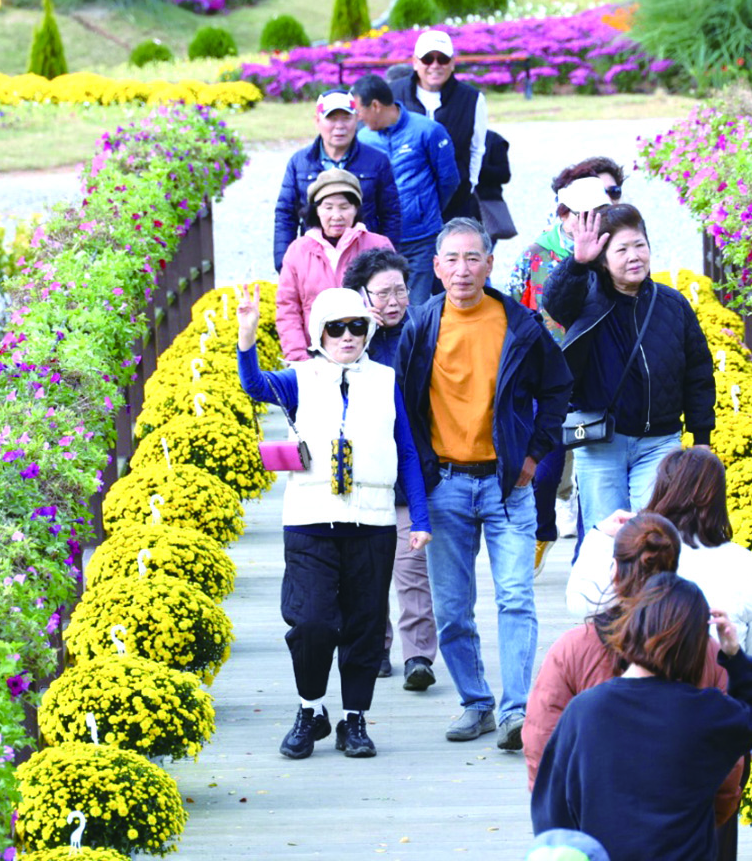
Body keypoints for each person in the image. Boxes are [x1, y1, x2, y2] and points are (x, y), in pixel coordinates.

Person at [236, 284, 432, 759]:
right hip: (310, 520)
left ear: (368, 331)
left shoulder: (384, 379)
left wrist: (420, 517)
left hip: (373, 522)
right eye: (336, 328)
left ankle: (354, 719)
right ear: (318, 333)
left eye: (357, 326)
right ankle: (311, 709)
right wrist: (247, 335)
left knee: (366, 625)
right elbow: (255, 385)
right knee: (311, 622)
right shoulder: (300, 377)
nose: (347, 336)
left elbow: (406, 450)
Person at [397, 217, 572, 748]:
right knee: (452, 610)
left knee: (515, 597)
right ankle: (476, 703)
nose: (462, 269)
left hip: (507, 485)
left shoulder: (519, 324)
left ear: (490, 264)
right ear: (436, 267)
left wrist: (534, 455)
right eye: (451, 259)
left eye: (473, 258)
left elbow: (558, 387)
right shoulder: (421, 326)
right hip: (444, 485)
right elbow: (402, 404)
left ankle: (516, 712)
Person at [523, 515, 747, 847]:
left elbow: (543, 751)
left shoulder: (571, 650)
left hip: (591, 836)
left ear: (614, 570)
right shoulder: (707, 653)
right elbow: (728, 764)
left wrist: (564, 833)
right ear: (674, 573)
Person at [530, 572, 752, 861]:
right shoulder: (706, 710)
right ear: (695, 646)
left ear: (632, 629)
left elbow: (553, 806)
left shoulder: (584, 710)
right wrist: (734, 655)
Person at [541, 204, 716, 549]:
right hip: (601, 441)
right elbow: (555, 302)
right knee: (605, 544)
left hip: (659, 443)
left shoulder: (672, 304)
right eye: (621, 250)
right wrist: (578, 262)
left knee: (655, 542)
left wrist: (701, 437)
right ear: (603, 259)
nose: (634, 256)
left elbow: (698, 372)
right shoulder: (585, 300)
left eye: (639, 245)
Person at [567, 447, 752, 678]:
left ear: (661, 490)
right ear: (719, 498)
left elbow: (581, 604)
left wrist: (600, 535)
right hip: (718, 694)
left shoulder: (640, 553)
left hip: (639, 691)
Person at [509, 161, 623, 572]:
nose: (590, 224)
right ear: (563, 214)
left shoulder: (613, 249)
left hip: (598, 374)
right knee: (545, 469)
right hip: (548, 379)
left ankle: (584, 559)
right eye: (582, 216)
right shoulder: (536, 254)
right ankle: (543, 530)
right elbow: (514, 313)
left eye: (598, 215)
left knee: (592, 475)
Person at [342, 248, 439, 692]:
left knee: (411, 567)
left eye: (400, 290)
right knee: (366, 570)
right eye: (382, 294)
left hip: (412, 467)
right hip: (363, 471)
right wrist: (362, 332)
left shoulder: (424, 329)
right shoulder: (346, 336)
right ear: (361, 295)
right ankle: (376, 647)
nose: (394, 301)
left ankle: (418, 655)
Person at [351, 74, 460, 306]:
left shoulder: (428, 130)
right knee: (382, 305)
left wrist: (425, 209)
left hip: (422, 238)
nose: (357, 117)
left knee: (413, 306)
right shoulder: (363, 138)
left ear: (375, 106)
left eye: (359, 110)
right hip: (381, 239)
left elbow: (449, 180)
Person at [273, 89, 402, 273]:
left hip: (364, 261)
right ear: (317, 121)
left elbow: (391, 214)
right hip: (314, 260)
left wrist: (387, 262)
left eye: (346, 118)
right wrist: (284, 263)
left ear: (357, 119)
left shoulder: (377, 161)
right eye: (332, 119)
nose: (339, 126)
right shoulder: (299, 162)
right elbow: (285, 215)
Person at [276, 169, 395, 362]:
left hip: (370, 356)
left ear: (356, 209)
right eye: (328, 207)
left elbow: (394, 299)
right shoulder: (298, 251)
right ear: (316, 210)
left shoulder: (379, 245)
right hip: (315, 357)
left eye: (344, 207)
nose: (336, 215)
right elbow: (287, 308)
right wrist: (299, 359)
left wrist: (375, 314)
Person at [390, 29, 488, 221]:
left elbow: (477, 148)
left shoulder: (472, 99)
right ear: (415, 62)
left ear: (452, 63)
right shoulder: (394, 93)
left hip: (456, 199)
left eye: (442, 59)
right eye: (427, 59)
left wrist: (471, 183)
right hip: (406, 200)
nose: (435, 65)